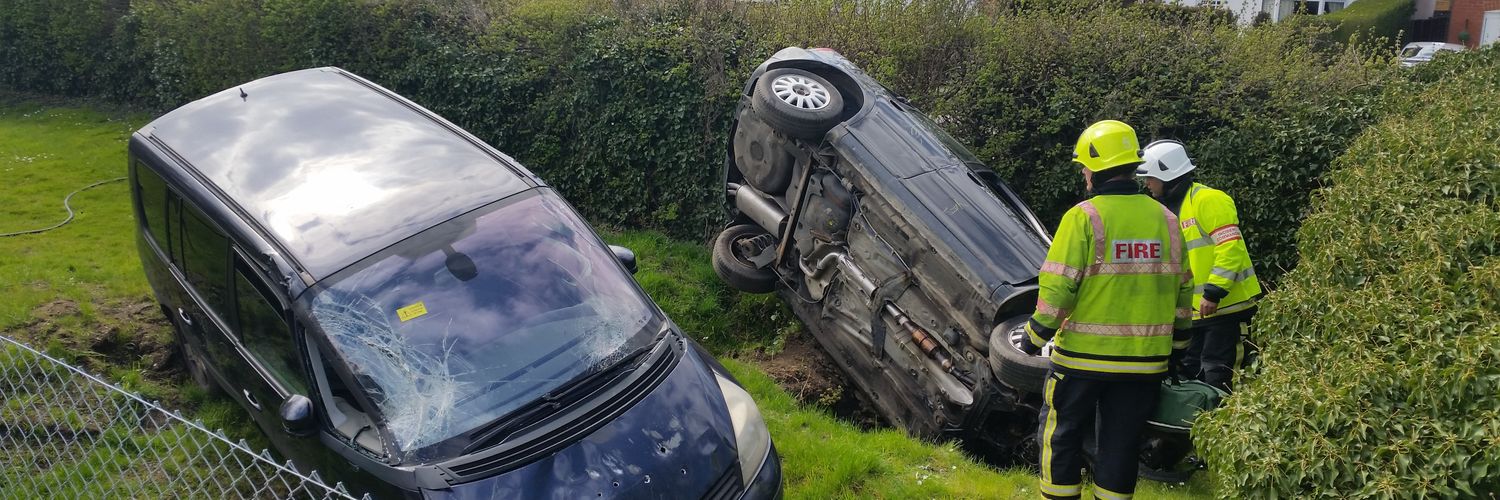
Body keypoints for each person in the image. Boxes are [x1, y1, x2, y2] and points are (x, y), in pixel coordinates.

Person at [1020, 120, 1193, 500]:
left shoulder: (1083, 217)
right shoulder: (1166, 219)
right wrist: (1178, 348)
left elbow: (1058, 286)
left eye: (1084, 166)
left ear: (1095, 170)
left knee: (1061, 437)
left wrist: (1034, 338)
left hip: (1081, 360)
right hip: (1144, 364)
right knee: (1121, 446)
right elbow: (1184, 291)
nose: (1083, 173)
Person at [1137, 140, 1262, 393]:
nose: (1147, 184)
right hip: (1194, 314)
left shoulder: (1208, 200)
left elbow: (1230, 248)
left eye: (1150, 177)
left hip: (1226, 308)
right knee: (1190, 376)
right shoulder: (1169, 210)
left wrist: (1214, 291)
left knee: (1220, 375)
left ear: (1166, 174)